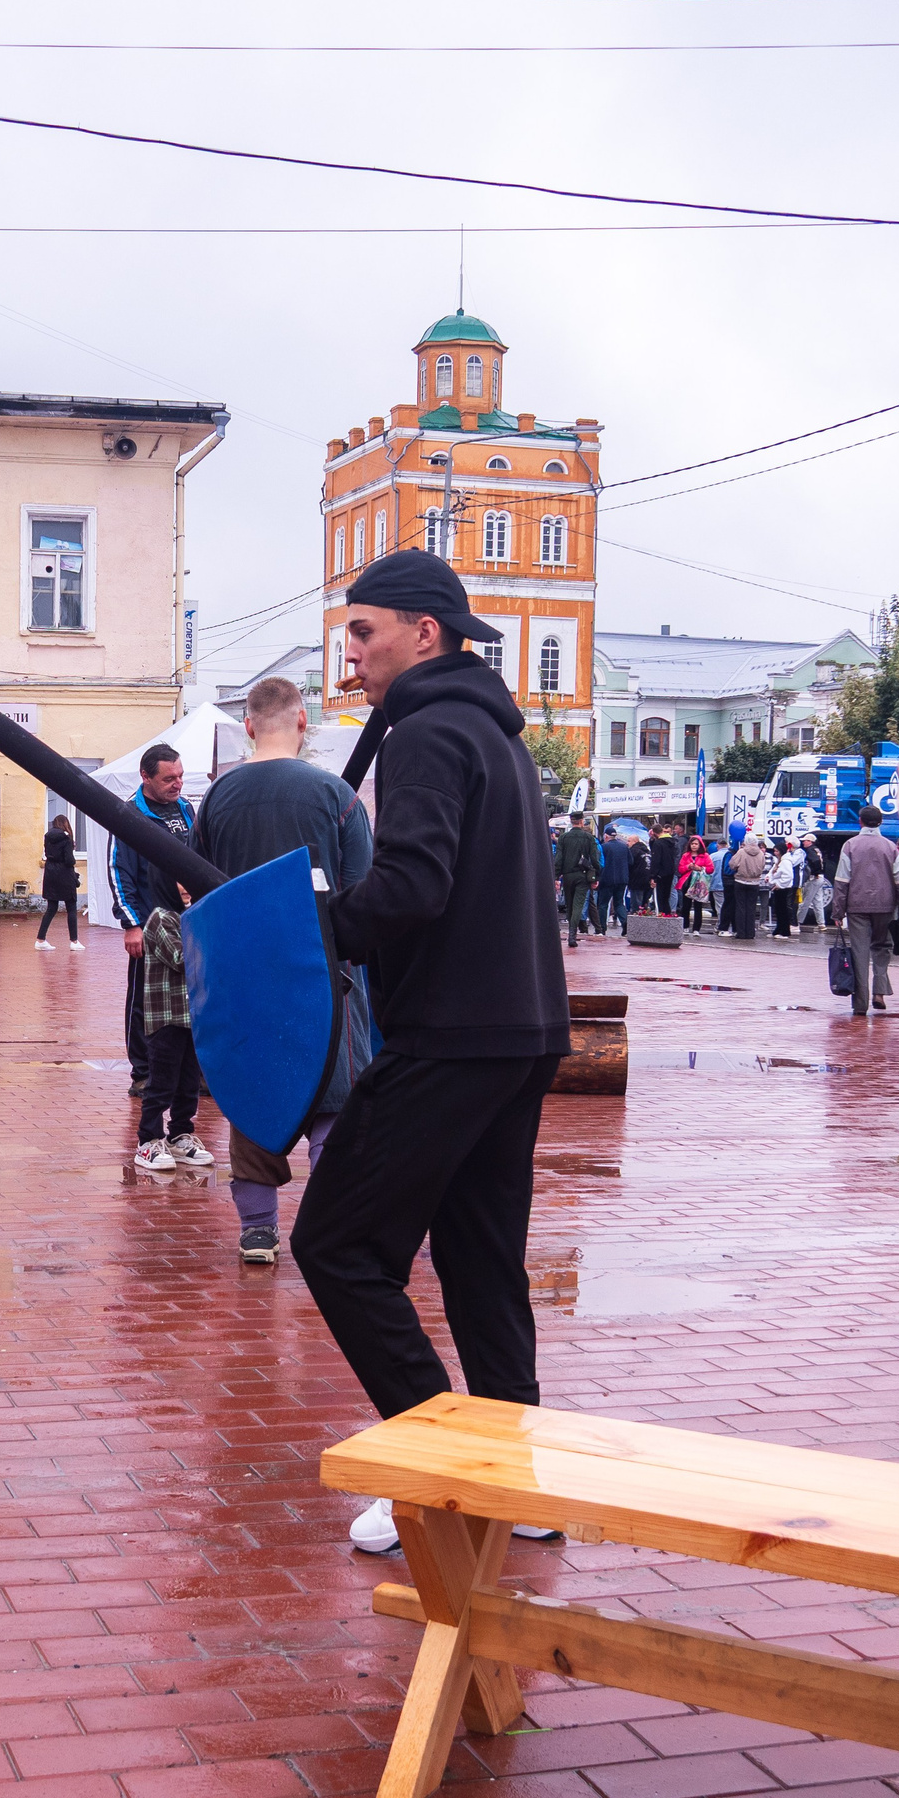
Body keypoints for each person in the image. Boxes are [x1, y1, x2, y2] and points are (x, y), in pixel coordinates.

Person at [285, 550, 568, 1555]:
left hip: (451, 1034)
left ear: (425, 635)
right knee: (480, 1260)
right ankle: (513, 1481)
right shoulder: (489, 734)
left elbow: (411, 886)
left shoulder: (424, 732)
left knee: (335, 1245)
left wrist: (320, 930)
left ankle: (441, 1465)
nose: (351, 651)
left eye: (364, 631)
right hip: (521, 1028)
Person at [192, 675, 375, 1263]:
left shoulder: (217, 798)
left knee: (256, 1096)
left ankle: (257, 1231)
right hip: (326, 974)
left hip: (245, 977)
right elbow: (363, 890)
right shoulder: (336, 795)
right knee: (334, 1101)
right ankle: (330, 1229)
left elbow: (192, 887)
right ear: (303, 722)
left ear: (247, 725)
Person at [109, 742, 198, 1098]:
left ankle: (192, 1071)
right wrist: (131, 924)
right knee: (144, 1003)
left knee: (194, 997)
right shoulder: (130, 817)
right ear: (145, 777)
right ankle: (143, 1072)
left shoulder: (187, 809)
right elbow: (119, 873)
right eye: (168, 779)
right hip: (149, 927)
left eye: (180, 776)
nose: (177, 784)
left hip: (189, 925)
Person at [129, 898, 210, 1173]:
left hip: (193, 1016)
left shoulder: (196, 915)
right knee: (162, 1083)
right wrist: (216, 942)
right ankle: (148, 1140)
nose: (185, 887)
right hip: (166, 1016)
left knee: (189, 1084)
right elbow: (180, 958)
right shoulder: (161, 918)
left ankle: (179, 1135)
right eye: (178, 881)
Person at [830, 809, 899, 1012]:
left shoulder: (850, 846)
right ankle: (879, 992)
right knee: (882, 948)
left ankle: (860, 1004)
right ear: (880, 822)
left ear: (860, 821)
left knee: (859, 953)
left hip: (857, 906)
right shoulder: (890, 847)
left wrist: (838, 911)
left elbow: (841, 880)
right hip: (885, 906)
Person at [554, 813, 599, 948]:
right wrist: (596, 876)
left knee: (569, 903)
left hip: (567, 875)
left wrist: (556, 877)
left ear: (571, 821)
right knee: (578, 905)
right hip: (583, 875)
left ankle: (571, 931)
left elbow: (558, 859)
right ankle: (572, 935)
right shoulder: (588, 837)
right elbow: (594, 859)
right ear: (582, 821)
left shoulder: (563, 838)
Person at [36, 815, 81, 950]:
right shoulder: (67, 839)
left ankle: (40, 939)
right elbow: (69, 860)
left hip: (50, 874)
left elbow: (48, 854)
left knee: (51, 908)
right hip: (65, 876)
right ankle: (74, 942)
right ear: (65, 824)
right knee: (71, 908)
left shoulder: (47, 837)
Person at [727, 824, 771, 938]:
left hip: (741, 881)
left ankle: (741, 933)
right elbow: (762, 866)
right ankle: (750, 932)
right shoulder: (761, 853)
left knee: (740, 907)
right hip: (755, 882)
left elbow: (732, 864)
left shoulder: (741, 852)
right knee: (751, 908)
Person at [678, 835, 715, 934]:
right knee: (686, 906)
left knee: (698, 906)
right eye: (692, 844)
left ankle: (696, 929)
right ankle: (685, 926)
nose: (694, 846)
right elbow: (680, 869)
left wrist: (701, 868)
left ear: (700, 845)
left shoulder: (705, 856)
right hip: (687, 883)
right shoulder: (685, 855)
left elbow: (711, 869)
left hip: (699, 883)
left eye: (696, 844)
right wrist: (688, 866)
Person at [768, 835, 799, 938]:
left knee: (782, 910)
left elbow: (788, 876)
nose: (775, 853)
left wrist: (778, 884)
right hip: (779, 888)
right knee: (779, 910)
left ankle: (784, 931)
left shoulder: (785, 862)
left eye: (776, 851)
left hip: (783, 888)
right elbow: (773, 871)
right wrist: (769, 877)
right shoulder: (780, 861)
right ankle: (779, 929)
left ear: (781, 851)